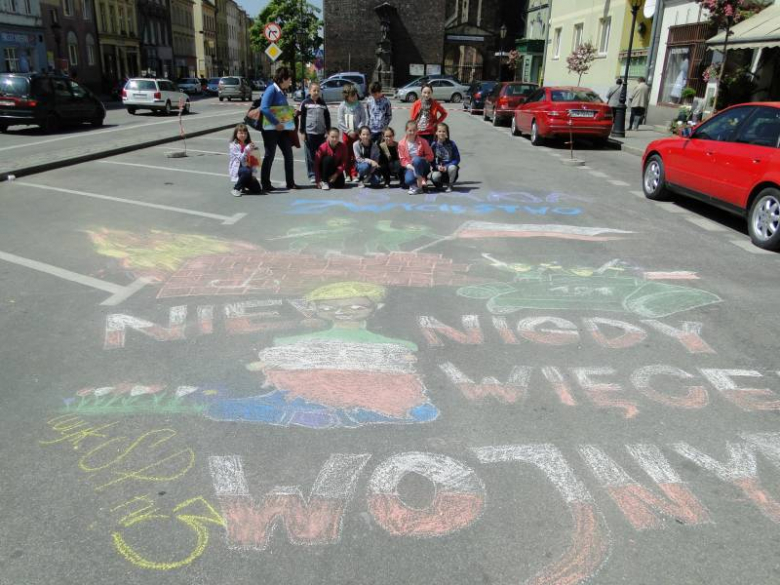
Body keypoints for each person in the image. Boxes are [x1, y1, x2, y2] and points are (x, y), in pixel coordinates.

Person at [205, 282, 439, 429]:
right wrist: (261, 364)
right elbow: (275, 360)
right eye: (328, 308)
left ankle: (315, 414)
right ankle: (341, 414)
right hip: (311, 390)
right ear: (317, 311)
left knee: (422, 410)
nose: (343, 312)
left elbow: (406, 363)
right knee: (223, 408)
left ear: (374, 309)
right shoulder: (296, 343)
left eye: (356, 307)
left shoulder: (393, 345)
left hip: (353, 391)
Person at [260, 66, 298, 191]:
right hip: (271, 130)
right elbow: (264, 108)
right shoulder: (271, 89)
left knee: (288, 154)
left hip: (282, 130)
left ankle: (290, 182)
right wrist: (276, 123)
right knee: (269, 155)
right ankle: (265, 184)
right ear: (282, 79)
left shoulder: (282, 91)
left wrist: (293, 113)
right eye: (289, 79)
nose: (290, 82)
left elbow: (282, 111)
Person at [298, 81, 331, 184]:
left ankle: (320, 173)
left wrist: (328, 130)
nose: (316, 92)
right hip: (309, 133)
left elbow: (327, 117)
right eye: (314, 90)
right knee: (310, 155)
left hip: (321, 133)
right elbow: (302, 118)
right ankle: (312, 174)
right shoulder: (305, 103)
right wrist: (302, 132)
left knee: (321, 154)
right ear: (310, 91)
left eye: (318, 90)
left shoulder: (322, 103)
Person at [337, 84, 366, 181]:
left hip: (357, 133)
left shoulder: (360, 105)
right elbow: (340, 121)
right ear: (347, 96)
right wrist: (348, 131)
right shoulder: (342, 106)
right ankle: (347, 174)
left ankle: (354, 174)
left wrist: (358, 129)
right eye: (352, 95)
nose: (354, 97)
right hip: (347, 134)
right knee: (346, 154)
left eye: (355, 95)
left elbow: (363, 118)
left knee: (355, 153)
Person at [398, 119, 434, 195]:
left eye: (414, 130)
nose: (412, 132)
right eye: (410, 130)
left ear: (417, 130)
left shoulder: (423, 141)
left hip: (422, 165)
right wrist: (414, 169)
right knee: (408, 180)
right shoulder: (401, 143)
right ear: (406, 130)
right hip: (411, 166)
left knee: (416, 160)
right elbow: (403, 160)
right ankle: (420, 179)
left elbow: (430, 156)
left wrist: (422, 159)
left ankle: (420, 186)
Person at [228, 123, 262, 197]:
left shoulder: (250, 144)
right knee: (246, 171)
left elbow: (255, 161)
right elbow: (241, 159)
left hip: (248, 170)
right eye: (240, 133)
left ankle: (243, 184)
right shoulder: (233, 145)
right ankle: (236, 189)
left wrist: (254, 174)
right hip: (239, 169)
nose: (243, 135)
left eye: (245, 133)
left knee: (257, 190)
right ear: (236, 134)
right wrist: (247, 149)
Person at [430, 122, 460, 193]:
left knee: (452, 168)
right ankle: (439, 184)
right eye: (439, 131)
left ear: (447, 133)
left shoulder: (452, 144)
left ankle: (450, 185)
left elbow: (457, 159)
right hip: (439, 169)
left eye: (443, 131)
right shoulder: (434, 145)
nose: (441, 133)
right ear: (436, 133)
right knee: (435, 177)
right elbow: (431, 160)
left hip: (449, 168)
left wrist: (447, 166)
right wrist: (437, 167)